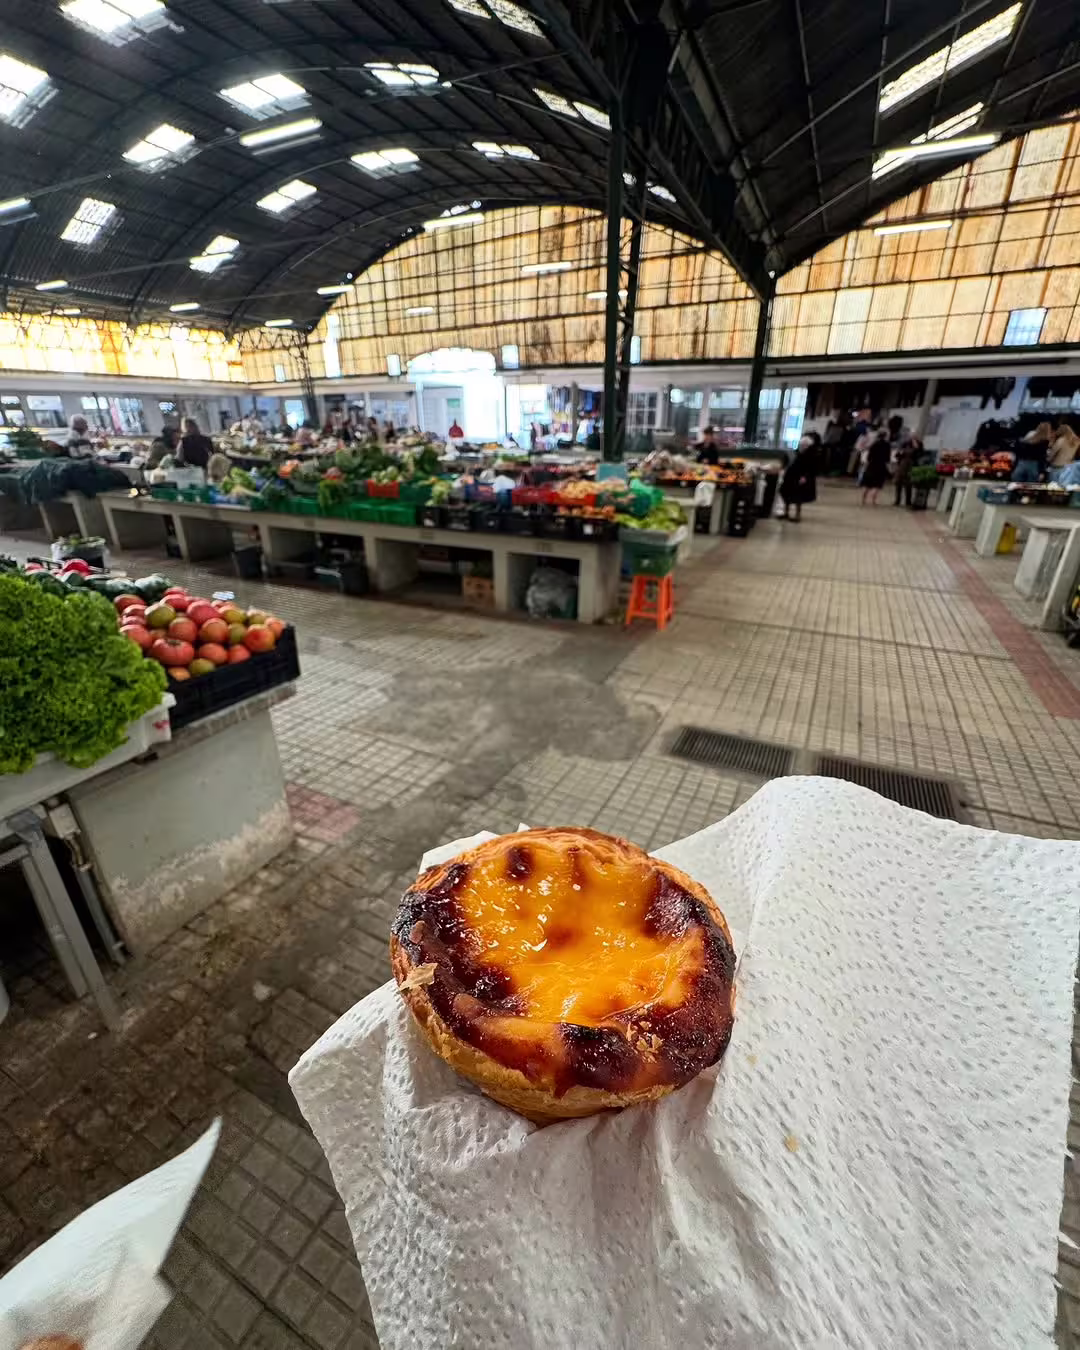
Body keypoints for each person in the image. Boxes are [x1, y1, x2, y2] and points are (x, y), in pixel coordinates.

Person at [779, 432, 819, 521]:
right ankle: (786, 512)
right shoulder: (797, 453)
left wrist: (805, 477)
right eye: (802, 445)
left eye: (805, 445)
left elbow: (811, 469)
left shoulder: (811, 456)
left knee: (798, 497)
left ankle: (797, 514)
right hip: (791, 477)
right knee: (787, 495)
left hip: (800, 478)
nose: (803, 447)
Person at [861, 431, 891, 506]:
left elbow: (868, 457)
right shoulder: (887, 445)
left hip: (872, 465)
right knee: (878, 484)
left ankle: (863, 499)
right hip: (881, 466)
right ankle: (873, 499)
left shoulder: (874, 444)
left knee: (868, 483)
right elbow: (887, 459)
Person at [893, 438, 917, 507]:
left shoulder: (904, 451)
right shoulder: (911, 452)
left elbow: (897, 456)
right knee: (907, 487)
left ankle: (898, 501)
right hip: (906, 470)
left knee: (899, 487)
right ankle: (907, 502)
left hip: (902, 470)